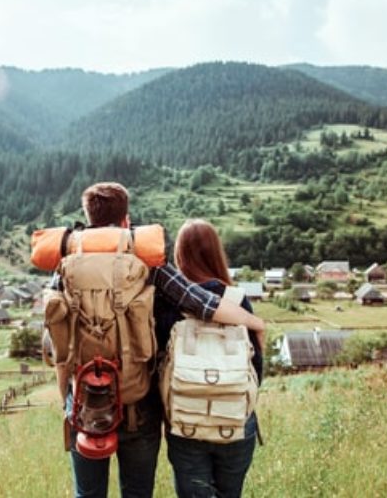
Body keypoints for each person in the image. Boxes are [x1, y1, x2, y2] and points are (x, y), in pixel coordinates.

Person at [42, 183, 265, 498]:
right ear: (126, 219)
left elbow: (53, 342)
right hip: (140, 404)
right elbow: (200, 302)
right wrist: (254, 321)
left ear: (87, 219)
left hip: (85, 401)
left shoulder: (65, 267)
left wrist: (66, 397)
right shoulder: (145, 260)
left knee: (88, 494)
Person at [161, 219, 263, 498]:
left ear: (180, 255)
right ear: (217, 253)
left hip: (185, 420)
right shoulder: (237, 299)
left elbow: (159, 364)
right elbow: (256, 370)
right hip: (234, 419)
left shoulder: (171, 301)